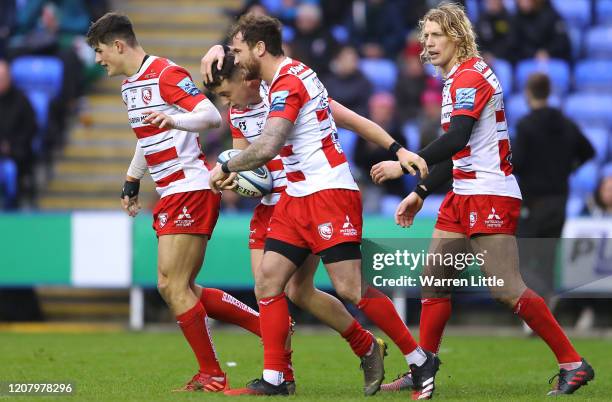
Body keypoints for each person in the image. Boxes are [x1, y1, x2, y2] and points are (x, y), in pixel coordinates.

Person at [203, 13, 435, 397]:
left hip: (328, 193)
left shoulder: (290, 82)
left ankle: (418, 358)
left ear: (259, 49)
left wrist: (225, 164)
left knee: (351, 288)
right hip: (295, 198)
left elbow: (270, 145)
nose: (235, 56)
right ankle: (276, 380)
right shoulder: (277, 79)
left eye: (239, 49)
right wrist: (216, 50)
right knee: (270, 282)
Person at [371, 3, 593, 398]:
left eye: (436, 35)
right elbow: (460, 151)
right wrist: (420, 191)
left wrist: (404, 165)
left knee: (506, 289)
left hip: (490, 193)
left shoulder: (470, 77)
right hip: (463, 192)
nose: (428, 43)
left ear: (456, 36)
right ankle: (425, 367)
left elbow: (456, 139)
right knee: (434, 280)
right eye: (425, 37)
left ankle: (572, 363)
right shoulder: (458, 77)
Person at [86, 12, 273, 392]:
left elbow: (208, 116)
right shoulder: (129, 87)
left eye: (100, 50)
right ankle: (268, 328)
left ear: (118, 45)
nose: (97, 59)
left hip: (191, 187)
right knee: (180, 286)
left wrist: (175, 121)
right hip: (171, 191)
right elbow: (146, 134)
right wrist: (132, 178)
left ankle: (213, 374)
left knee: (173, 287)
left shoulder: (165, 74)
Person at [513, 72, 594, 299]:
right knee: (547, 260)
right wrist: (568, 168)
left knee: (524, 258)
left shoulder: (526, 126)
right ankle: (546, 303)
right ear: (549, 92)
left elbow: (516, 163)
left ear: (528, 93)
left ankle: (537, 306)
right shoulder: (566, 124)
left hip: (533, 202)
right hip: (559, 202)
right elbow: (589, 151)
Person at [0, 59, 37, 209]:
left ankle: (11, 208)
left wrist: (11, 146)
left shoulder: (21, 100)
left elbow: (31, 127)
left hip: (16, 154)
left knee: (11, 171)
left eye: (2, 78)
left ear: (10, 78)